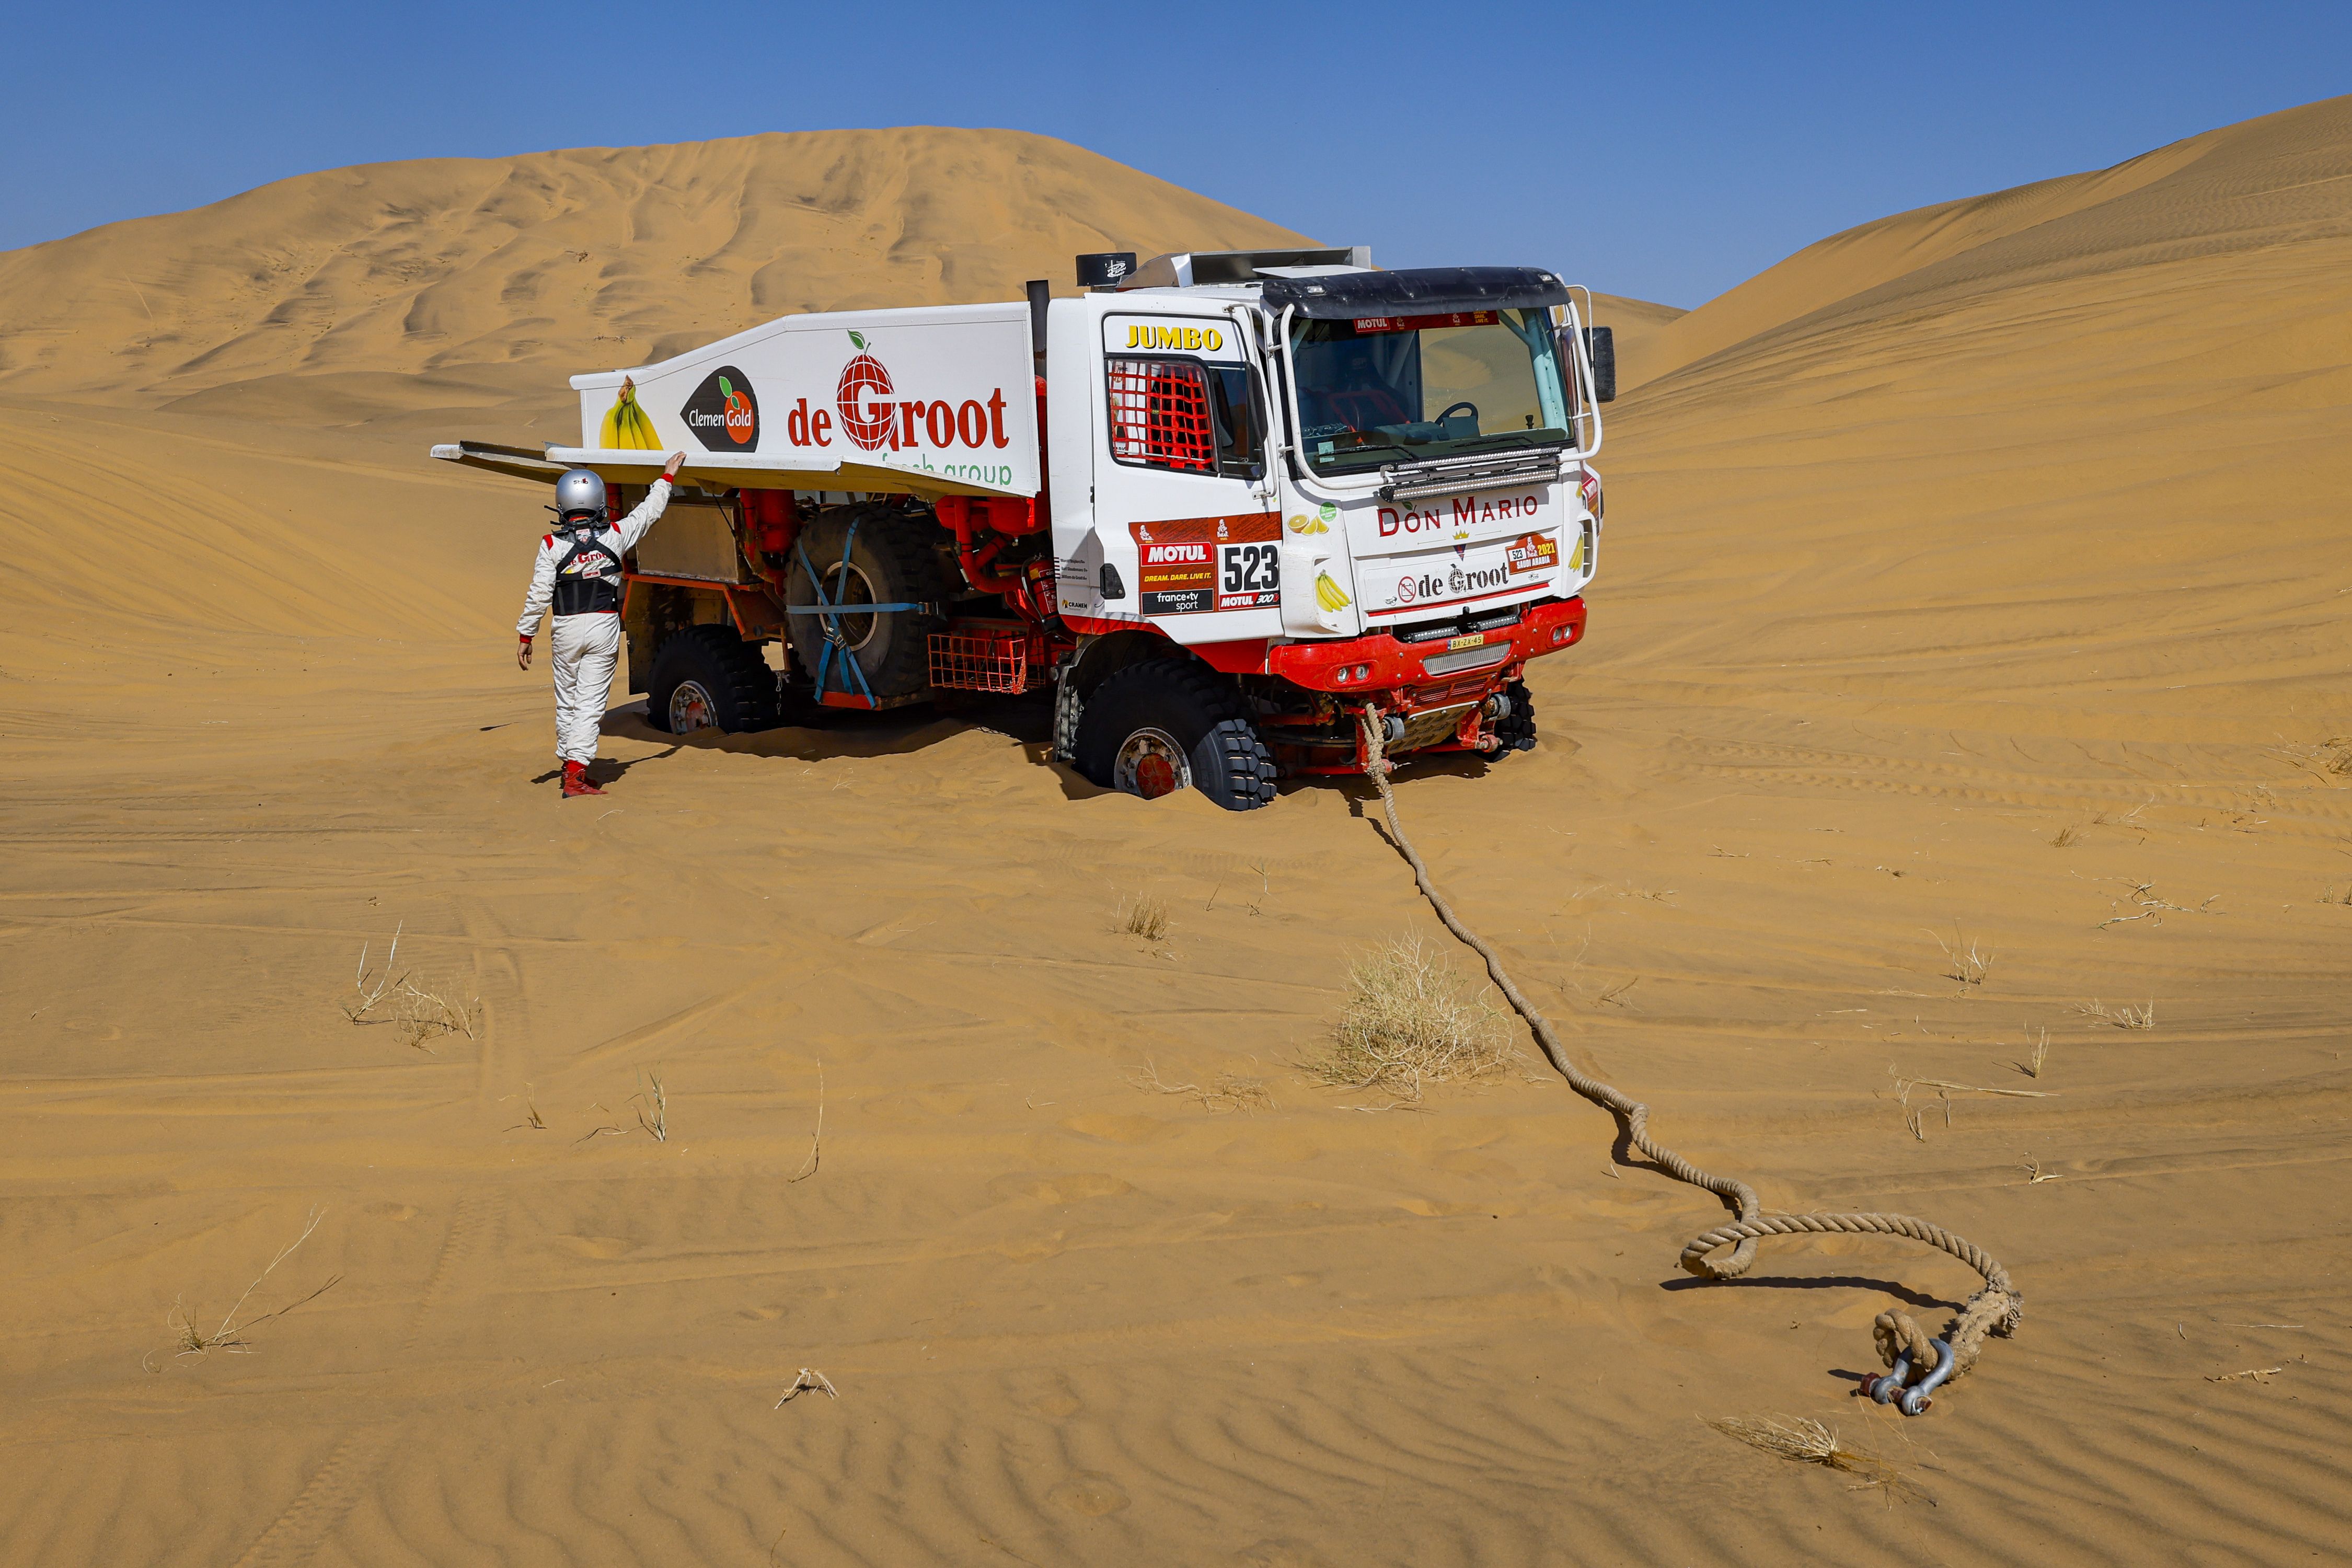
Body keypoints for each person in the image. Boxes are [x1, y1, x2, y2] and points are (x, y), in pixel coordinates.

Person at [515, 453, 685, 798]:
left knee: (568, 701)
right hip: (603, 625)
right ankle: (576, 774)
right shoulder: (615, 535)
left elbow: (539, 594)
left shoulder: (551, 545)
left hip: (565, 627)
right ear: (599, 502)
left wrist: (526, 634)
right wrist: (667, 477)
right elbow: (649, 513)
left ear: (562, 504)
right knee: (590, 703)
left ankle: (569, 766)